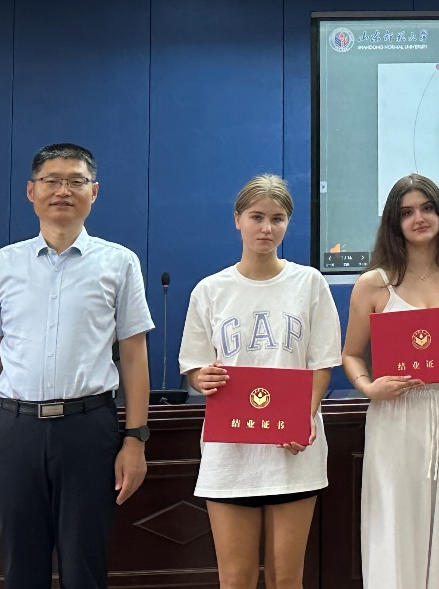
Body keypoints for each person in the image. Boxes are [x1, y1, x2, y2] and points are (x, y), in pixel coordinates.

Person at [0, 143, 154, 589]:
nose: (63, 190)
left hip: (89, 429)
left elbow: (134, 354)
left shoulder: (120, 262)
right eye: (51, 180)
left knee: (85, 568)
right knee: (21, 569)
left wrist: (136, 439)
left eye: (76, 181)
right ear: (31, 191)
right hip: (15, 430)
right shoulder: (3, 264)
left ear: (94, 192)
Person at [179, 174, 341, 589]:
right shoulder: (210, 290)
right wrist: (202, 377)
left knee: (286, 578)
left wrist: (303, 419)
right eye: (257, 217)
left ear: (288, 223)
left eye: (277, 218)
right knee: (236, 579)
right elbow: (195, 368)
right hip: (230, 452)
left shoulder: (309, 283)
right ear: (238, 219)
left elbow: (323, 364)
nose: (267, 228)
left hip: (293, 449)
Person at [342, 174, 439, 589]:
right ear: (394, 222)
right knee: (394, 524)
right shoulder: (373, 283)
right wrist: (369, 387)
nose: (418, 218)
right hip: (395, 412)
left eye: (427, 208)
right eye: (406, 212)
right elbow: (351, 354)